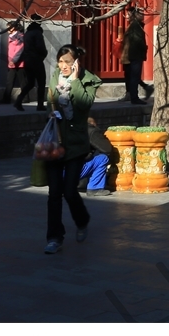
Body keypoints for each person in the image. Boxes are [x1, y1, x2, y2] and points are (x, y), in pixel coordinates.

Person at [42, 44, 101, 253]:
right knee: (54, 194)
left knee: (69, 191)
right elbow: (51, 100)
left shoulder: (88, 80)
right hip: (56, 143)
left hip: (76, 144)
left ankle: (82, 219)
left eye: (68, 62)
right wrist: (52, 113)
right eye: (60, 61)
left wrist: (75, 81)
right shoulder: (55, 77)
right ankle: (54, 238)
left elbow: (85, 104)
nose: (63, 66)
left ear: (76, 62)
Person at [17, 18, 48, 110]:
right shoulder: (37, 33)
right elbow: (40, 47)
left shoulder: (27, 33)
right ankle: (40, 104)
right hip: (36, 60)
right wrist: (44, 54)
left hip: (27, 60)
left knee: (30, 83)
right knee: (41, 83)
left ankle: (19, 100)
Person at [121, 10, 148, 104]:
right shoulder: (136, 26)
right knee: (134, 76)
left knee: (132, 76)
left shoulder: (134, 25)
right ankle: (134, 98)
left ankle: (133, 96)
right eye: (140, 14)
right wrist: (144, 48)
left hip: (131, 54)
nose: (142, 15)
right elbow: (137, 41)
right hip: (135, 54)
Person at [5, 19, 25, 101]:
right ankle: (6, 98)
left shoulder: (20, 36)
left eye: (8, 27)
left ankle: (24, 98)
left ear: (13, 28)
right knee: (9, 81)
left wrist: (14, 60)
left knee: (23, 82)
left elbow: (20, 49)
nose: (7, 29)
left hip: (18, 62)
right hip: (12, 63)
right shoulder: (11, 37)